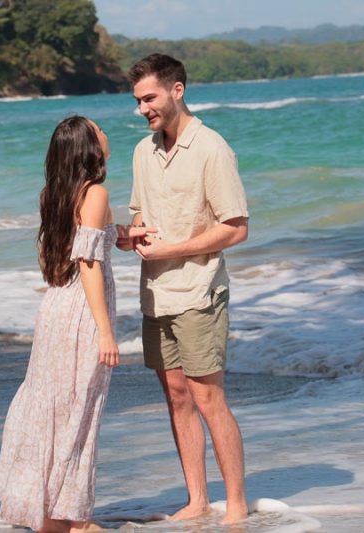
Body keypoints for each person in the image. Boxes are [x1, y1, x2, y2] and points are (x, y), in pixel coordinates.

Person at [0, 116, 154, 533]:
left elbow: (78, 242)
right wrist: (105, 329)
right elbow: (87, 264)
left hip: (55, 310)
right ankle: (75, 520)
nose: (105, 132)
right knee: (79, 414)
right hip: (82, 313)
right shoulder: (96, 192)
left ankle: (52, 513)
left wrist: (119, 233)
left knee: (54, 409)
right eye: (99, 128)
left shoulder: (54, 193)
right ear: (88, 145)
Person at [122, 54, 250, 524]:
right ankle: (197, 499)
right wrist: (131, 233)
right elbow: (140, 214)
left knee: (207, 398)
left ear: (177, 90)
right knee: (176, 397)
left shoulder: (213, 148)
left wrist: (175, 249)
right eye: (138, 101)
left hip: (199, 293)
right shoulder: (142, 152)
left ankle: (236, 504)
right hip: (156, 294)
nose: (142, 109)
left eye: (149, 98)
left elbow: (236, 228)